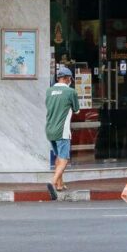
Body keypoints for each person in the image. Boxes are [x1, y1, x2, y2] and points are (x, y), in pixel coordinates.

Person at [44, 65, 80, 198]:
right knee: (64, 159)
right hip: (62, 131)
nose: (70, 81)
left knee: (58, 157)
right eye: (70, 78)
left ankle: (60, 185)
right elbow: (76, 110)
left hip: (50, 129)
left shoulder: (49, 91)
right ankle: (52, 183)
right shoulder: (71, 92)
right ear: (66, 79)